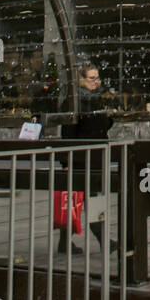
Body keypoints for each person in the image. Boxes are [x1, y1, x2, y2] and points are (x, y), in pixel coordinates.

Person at [58, 64, 116, 256]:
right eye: (92, 78)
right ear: (81, 80)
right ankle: (104, 241)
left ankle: (65, 243)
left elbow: (102, 124)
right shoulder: (76, 102)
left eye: (97, 77)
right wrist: (66, 163)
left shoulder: (94, 99)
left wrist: (109, 118)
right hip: (82, 160)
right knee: (86, 201)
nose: (96, 81)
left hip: (94, 157)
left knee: (79, 201)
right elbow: (68, 132)